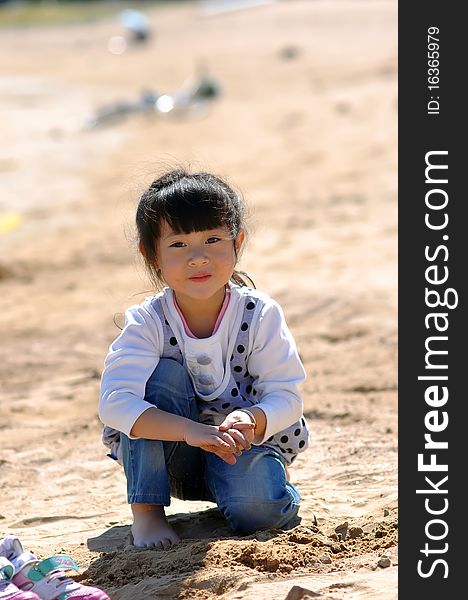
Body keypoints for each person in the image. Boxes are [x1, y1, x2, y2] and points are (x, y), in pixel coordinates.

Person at [98, 168, 310, 549]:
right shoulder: (148, 322)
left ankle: (269, 485)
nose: (198, 258)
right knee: (160, 376)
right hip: (171, 458)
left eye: (213, 239)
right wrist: (190, 431)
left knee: (261, 515)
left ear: (237, 242)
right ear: (152, 254)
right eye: (178, 244)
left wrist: (250, 417)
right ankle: (146, 512)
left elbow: (287, 396)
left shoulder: (259, 314)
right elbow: (115, 404)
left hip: (240, 449)